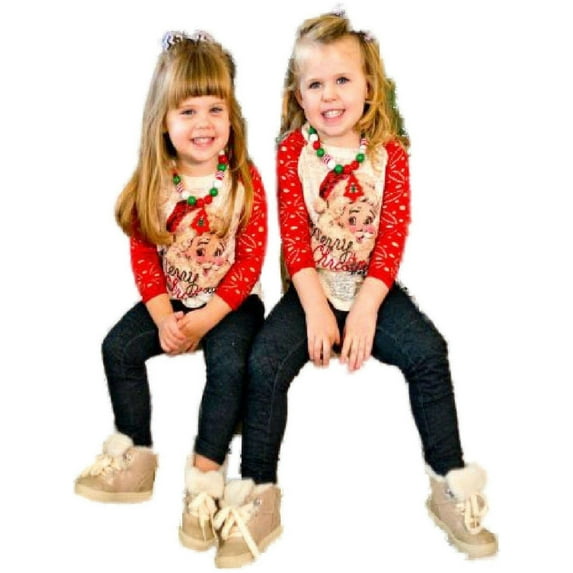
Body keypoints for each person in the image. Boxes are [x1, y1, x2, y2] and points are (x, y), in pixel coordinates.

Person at [210, 10, 497, 566]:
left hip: (372, 288)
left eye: (343, 79)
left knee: (430, 352)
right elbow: (295, 237)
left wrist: (365, 309)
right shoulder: (293, 151)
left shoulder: (391, 153)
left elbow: (391, 235)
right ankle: (259, 492)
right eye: (315, 84)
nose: (330, 95)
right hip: (311, 289)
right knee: (263, 364)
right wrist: (316, 310)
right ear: (298, 95)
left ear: (369, 85)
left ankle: (449, 483)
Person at [74, 30, 267, 554]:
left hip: (231, 303)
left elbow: (249, 263)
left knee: (229, 366)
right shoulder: (154, 180)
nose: (204, 124)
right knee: (117, 348)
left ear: (232, 117)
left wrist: (205, 320)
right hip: (173, 298)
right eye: (188, 111)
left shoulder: (243, 179)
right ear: (163, 120)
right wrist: (164, 316)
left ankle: (205, 480)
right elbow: (144, 257)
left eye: (215, 109)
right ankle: (135, 452)